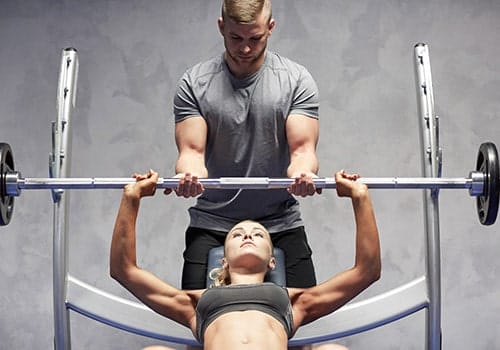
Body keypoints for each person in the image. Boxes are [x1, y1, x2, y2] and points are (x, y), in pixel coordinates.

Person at [110, 169, 381, 350]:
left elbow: (366, 271)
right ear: (223, 261)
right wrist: (131, 198)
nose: (247, 235)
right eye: (237, 234)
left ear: (272, 261)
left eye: (258, 234)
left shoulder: (293, 301)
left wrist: (360, 197)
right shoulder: (196, 303)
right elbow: (124, 271)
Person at [168, 0, 321, 297]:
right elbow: (191, 152)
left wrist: (303, 173)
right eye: (236, 38)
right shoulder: (194, 83)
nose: (246, 49)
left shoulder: (296, 80)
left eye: (255, 38)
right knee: (199, 317)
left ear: (270, 28)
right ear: (221, 27)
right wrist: (188, 175)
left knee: (303, 316)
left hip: (280, 220)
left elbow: (302, 150)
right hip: (212, 220)